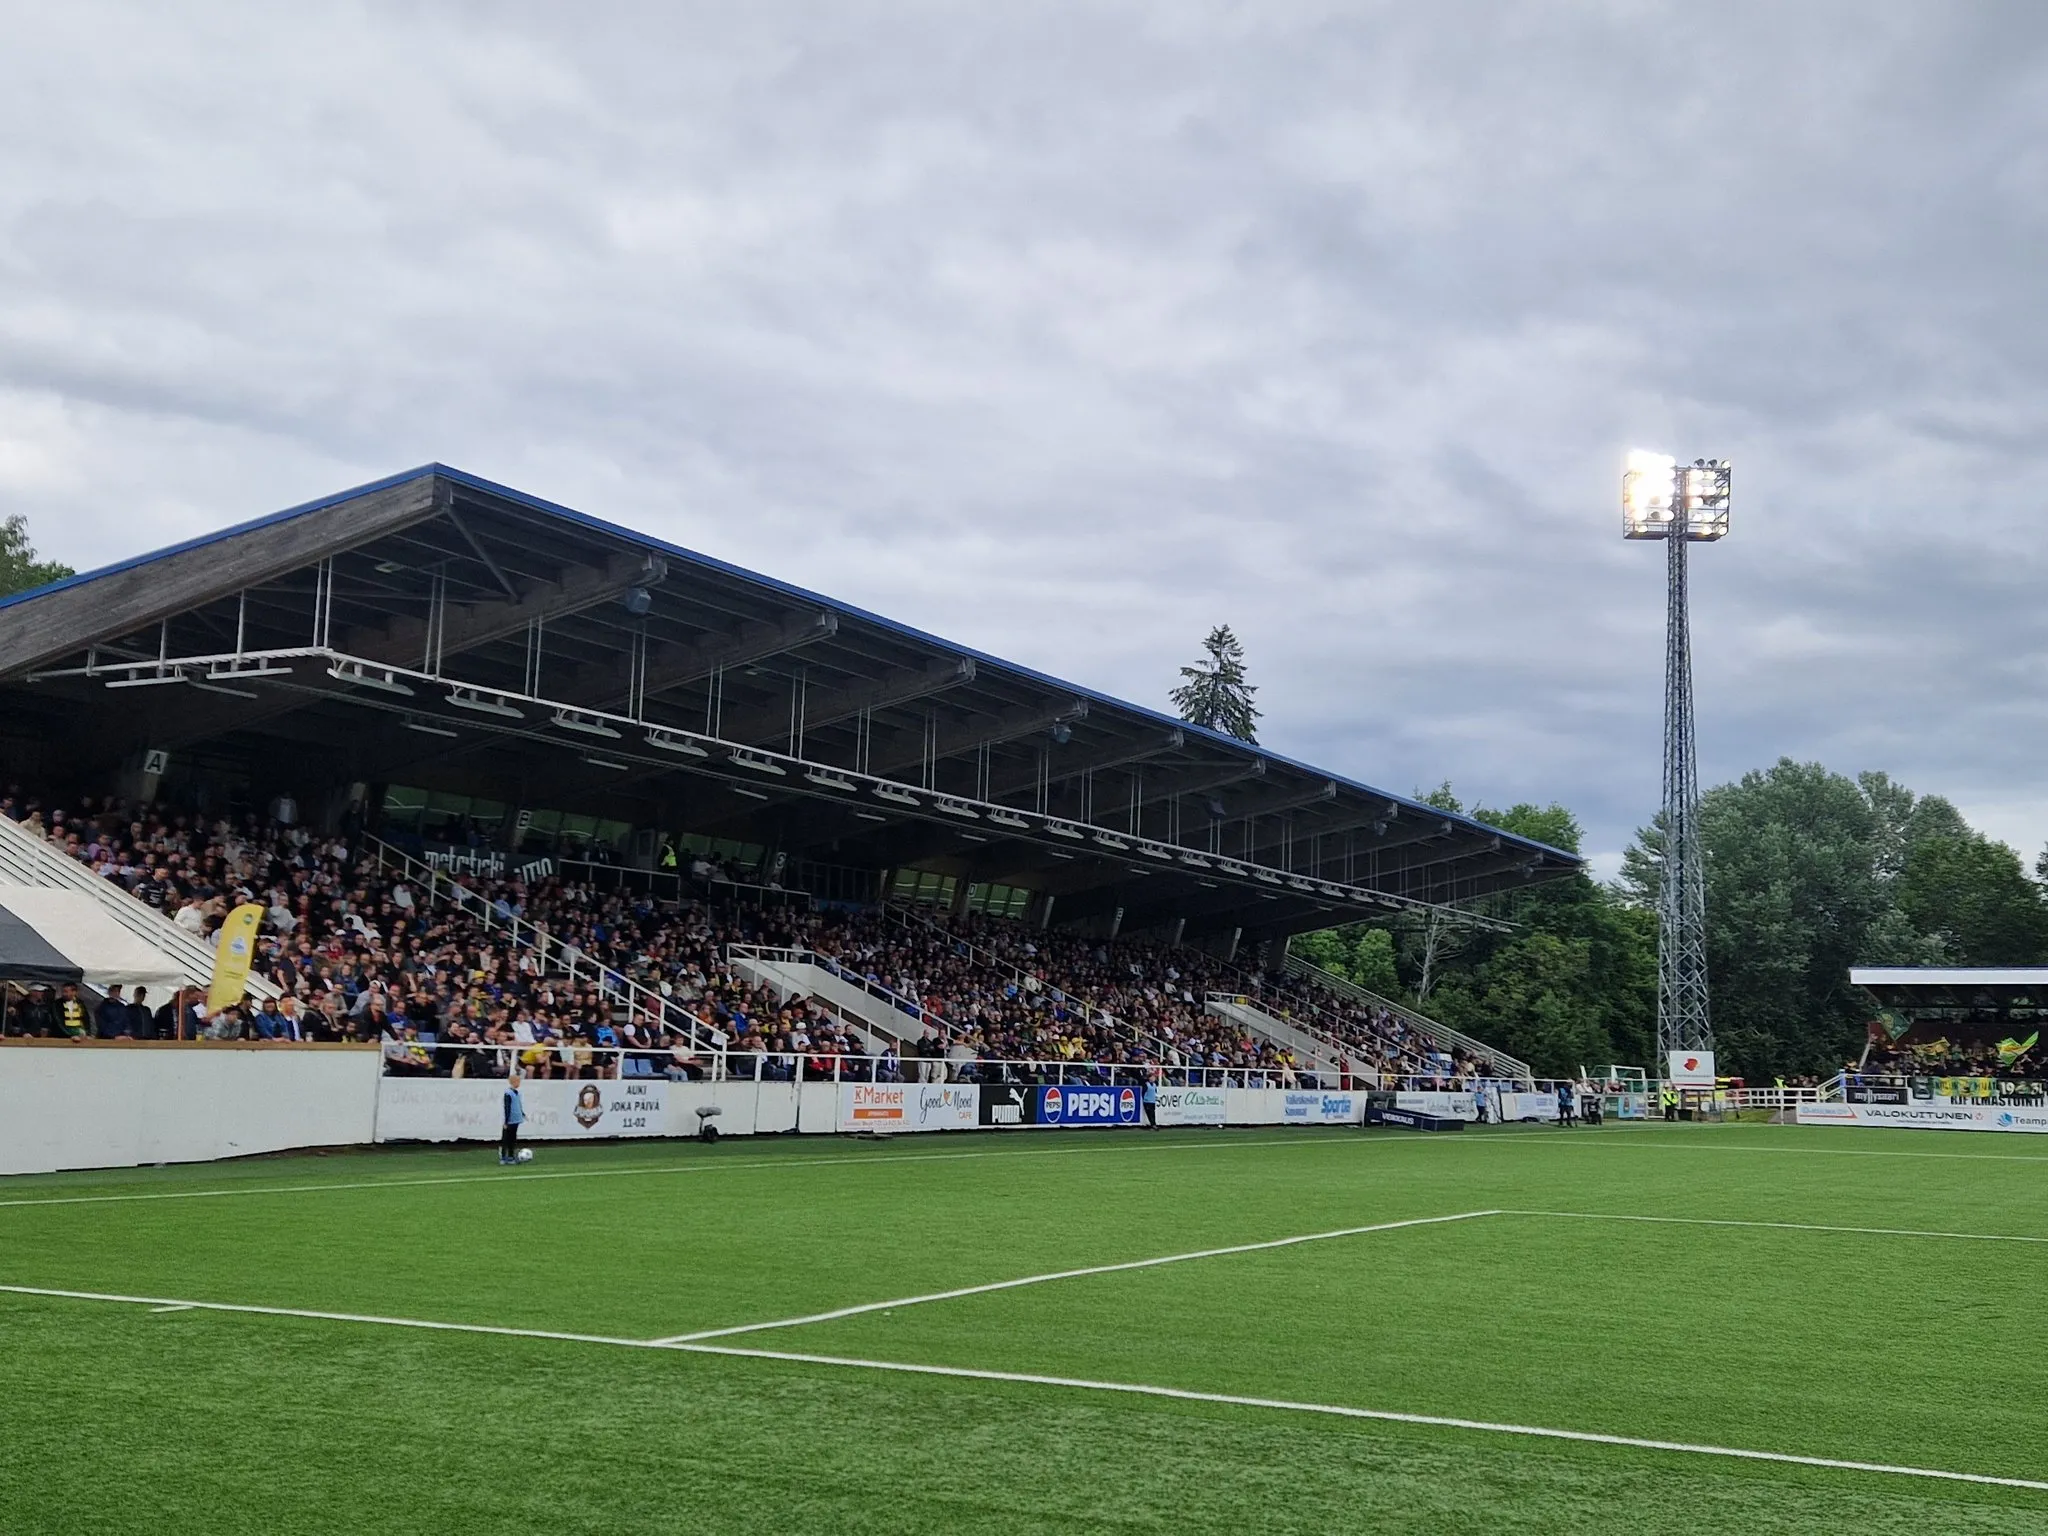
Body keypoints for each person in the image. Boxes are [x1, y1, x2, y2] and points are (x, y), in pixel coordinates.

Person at [500, 1072, 526, 1164]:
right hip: (510, 1120)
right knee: (506, 1139)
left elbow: (518, 1105)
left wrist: (522, 1113)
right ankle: (503, 1157)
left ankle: (511, 1156)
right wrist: (506, 1121)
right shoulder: (508, 1093)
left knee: (513, 1139)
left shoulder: (517, 1093)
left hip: (516, 1119)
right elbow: (507, 1107)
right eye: (518, 1081)